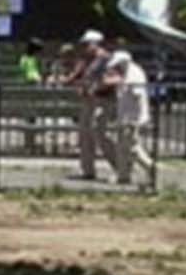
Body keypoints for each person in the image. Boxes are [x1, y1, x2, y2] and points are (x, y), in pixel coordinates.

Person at [59, 29, 117, 181]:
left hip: (102, 100)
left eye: (86, 44)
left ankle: (120, 166)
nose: (84, 48)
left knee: (100, 133)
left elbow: (113, 79)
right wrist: (67, 80)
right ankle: (88, 170)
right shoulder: (85, 60)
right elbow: (76, 76)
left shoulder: (107, 59)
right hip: (87, 100)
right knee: (85, 135)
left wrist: (97, 86)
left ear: (95, 44)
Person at [103, 49, 150, 185]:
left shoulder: (135, 74)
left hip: (133, 118)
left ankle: (150, 167)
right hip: (124, 117)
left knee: (132, 148)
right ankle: (123, 176)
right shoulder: (126, 73)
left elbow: (137, 95)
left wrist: (134, 120)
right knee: (122, 147)